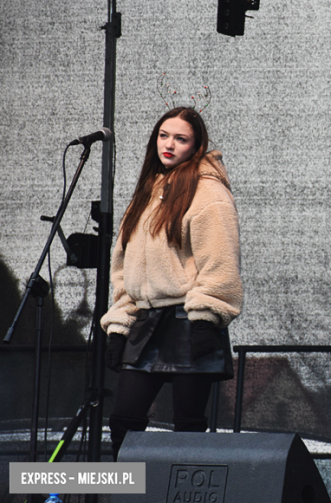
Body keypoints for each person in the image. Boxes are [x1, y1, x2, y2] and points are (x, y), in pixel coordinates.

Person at [101, 106, 243, 460]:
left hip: (187, 321)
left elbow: (219, 258)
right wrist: (119, 324)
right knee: (123, 422)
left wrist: (207, 317)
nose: (169, 144)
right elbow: (124, 266)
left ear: (196, 146)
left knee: (188, 429)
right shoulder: (147, 193)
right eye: (164, 136)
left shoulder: (208, 192)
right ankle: (133, 496)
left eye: (181, 138)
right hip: (146, 321)